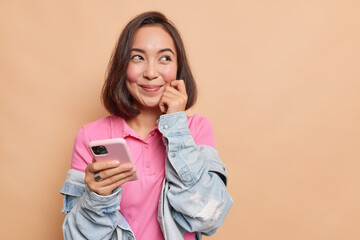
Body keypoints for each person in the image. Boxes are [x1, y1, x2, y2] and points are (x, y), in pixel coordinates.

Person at [60, 11, 233, 240]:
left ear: (178, 68)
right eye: (138, 58)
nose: (151, 73)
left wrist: (176, 128)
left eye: (164, 58)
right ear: (123, 66)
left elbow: (208, 218)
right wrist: (96, 199)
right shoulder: (91, 136)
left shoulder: (196, 129)